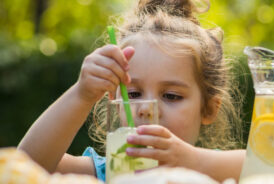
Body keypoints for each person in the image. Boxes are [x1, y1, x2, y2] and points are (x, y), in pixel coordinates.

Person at [17, 0, 245, 182]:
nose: (145, 109)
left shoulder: (214, 172)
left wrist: (192, 160)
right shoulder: (108, 173)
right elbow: (24, 167)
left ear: (208, 109)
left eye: (171, 96)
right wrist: (81, 95)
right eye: (134, 94)